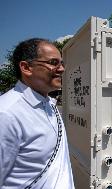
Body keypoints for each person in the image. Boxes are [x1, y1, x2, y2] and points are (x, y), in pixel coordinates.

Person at [0, 38, 75, 188]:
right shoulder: (6, 114)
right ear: (26, 68)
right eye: (53, 63)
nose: (62, 69)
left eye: (62, 63)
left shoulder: (48, 103)